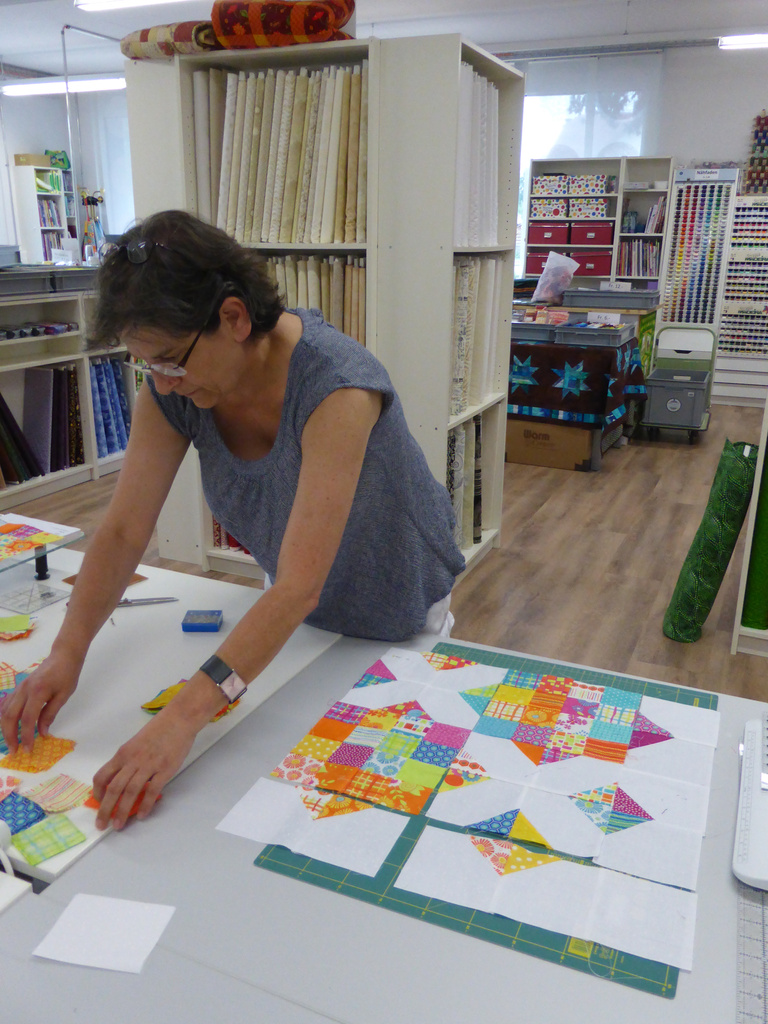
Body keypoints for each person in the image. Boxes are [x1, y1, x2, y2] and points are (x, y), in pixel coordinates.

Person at [0, 210, 465, 831]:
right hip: (296, 617)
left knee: (370, 813)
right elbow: (123, 531)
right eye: (147, 366)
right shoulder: (176, 390)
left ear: (235, 318)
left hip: (400, 612)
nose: (162, 384)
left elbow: (299, 585)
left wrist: (180, 721)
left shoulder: (338, 385)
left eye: (171, 361)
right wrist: (66, 653)